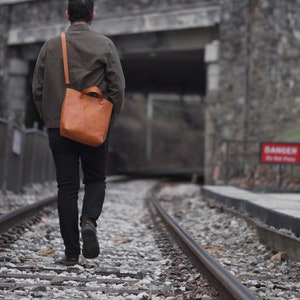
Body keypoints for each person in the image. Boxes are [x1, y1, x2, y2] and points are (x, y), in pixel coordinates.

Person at [32, 0, 125, 266]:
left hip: (60, 126)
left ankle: (72, 253)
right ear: (93, 15)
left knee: (67, 188)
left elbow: (38, 89)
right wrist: (107, 120)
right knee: (95, 180)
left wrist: (51, 118)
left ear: (67, 15)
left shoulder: (51, 45)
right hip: (95, 126)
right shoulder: (105, 45)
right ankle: (89, 221)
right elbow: (117, 88)